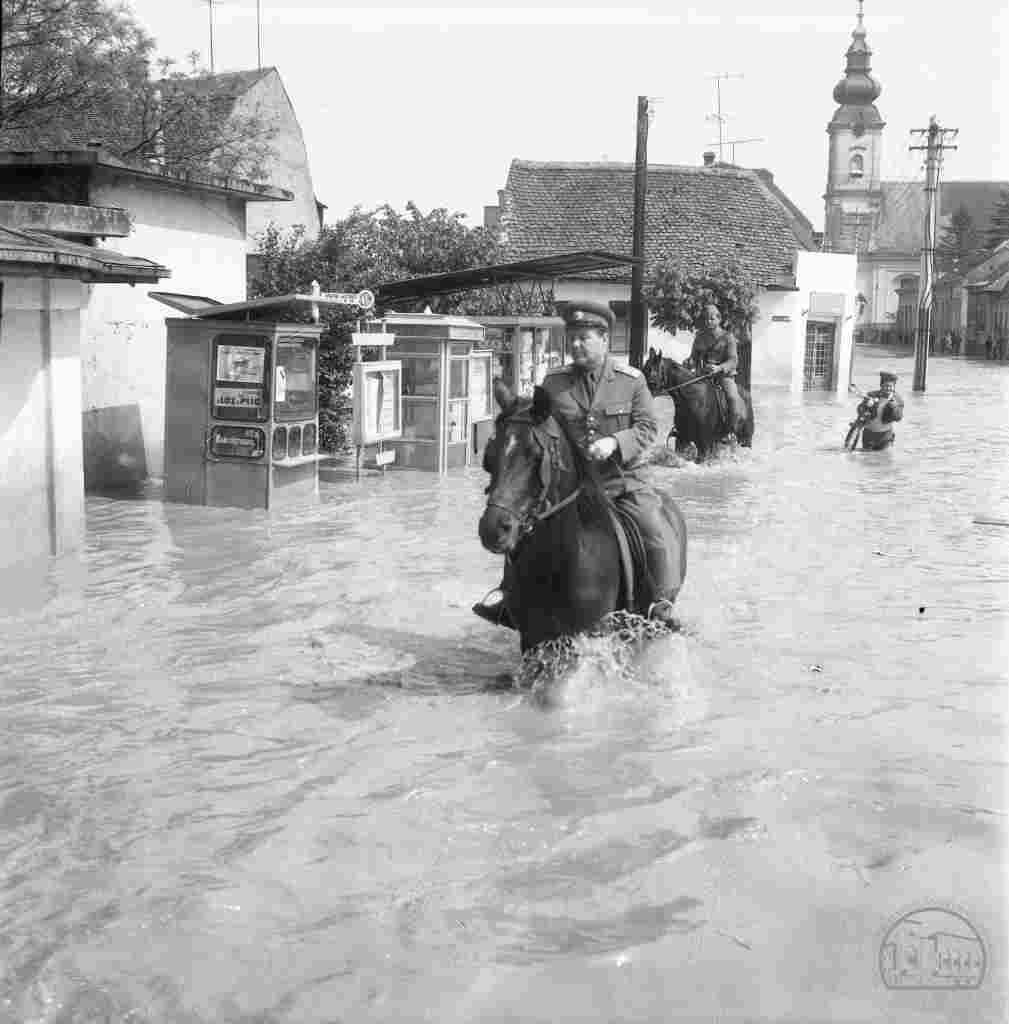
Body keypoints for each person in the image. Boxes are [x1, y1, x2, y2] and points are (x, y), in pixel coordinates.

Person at [473, 299, 680, 628]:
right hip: (571, 488)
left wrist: (615, 442)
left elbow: (647, 428)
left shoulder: (632, 380)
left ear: (604, 339)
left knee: (652, 526)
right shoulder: (554, 382)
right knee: (525, 528)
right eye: (572, 338)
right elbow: (538, 427)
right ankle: (510, 597)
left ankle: (659, 604)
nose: (576, 344)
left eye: (584, 337)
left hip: (620, 483)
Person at [684, 303, 747, 430]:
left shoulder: (728, 338)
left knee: (732, 398)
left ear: (719, 319)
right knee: (685, 395)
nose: (708, 321)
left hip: (724, 377)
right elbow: (694, 357)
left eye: (712, 318)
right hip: (702, 375)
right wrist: (689, 361)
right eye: (706, 318)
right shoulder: (699, 337)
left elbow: (733, 360)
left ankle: (731, 431)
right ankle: (683, 429)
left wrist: (719, 368)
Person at [858, 370, 904, 450]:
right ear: (881, 386)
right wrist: (867, 405)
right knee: (866, 459)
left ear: (894, 387)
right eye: (886, 386)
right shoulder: (871, 395)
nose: (888, 388)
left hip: (885, 436)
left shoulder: (898, 399)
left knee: (883, 459)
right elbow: (859, 409)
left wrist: (894, 406)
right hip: (869, 434)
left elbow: (898, 418)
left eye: (891, 386)